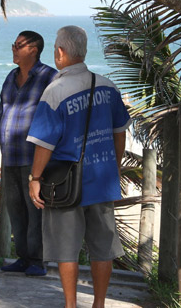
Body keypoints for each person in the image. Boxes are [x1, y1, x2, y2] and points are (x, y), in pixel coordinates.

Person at [27, 26, 130, 308]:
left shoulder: (56, 91)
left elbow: (44, 143)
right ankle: (98, 304)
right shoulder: (108, 86)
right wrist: (115, 165)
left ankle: (71, 305)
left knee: (67, 249)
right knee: (102, 249)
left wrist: (35, 178)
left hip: (66, 184)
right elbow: (120, 131)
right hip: (103, 180)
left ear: (60, 52)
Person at [0, 31, 57, 276]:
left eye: (19, 45)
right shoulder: (11, 76)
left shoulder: (50, 77)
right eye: (13, 45)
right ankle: (23, 257)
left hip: (35, 157)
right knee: (15, 209)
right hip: (10, 155)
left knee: (35, 209)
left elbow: (56, 116)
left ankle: (38, 261)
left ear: (34, 49)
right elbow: (1, 111)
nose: (14, 50)